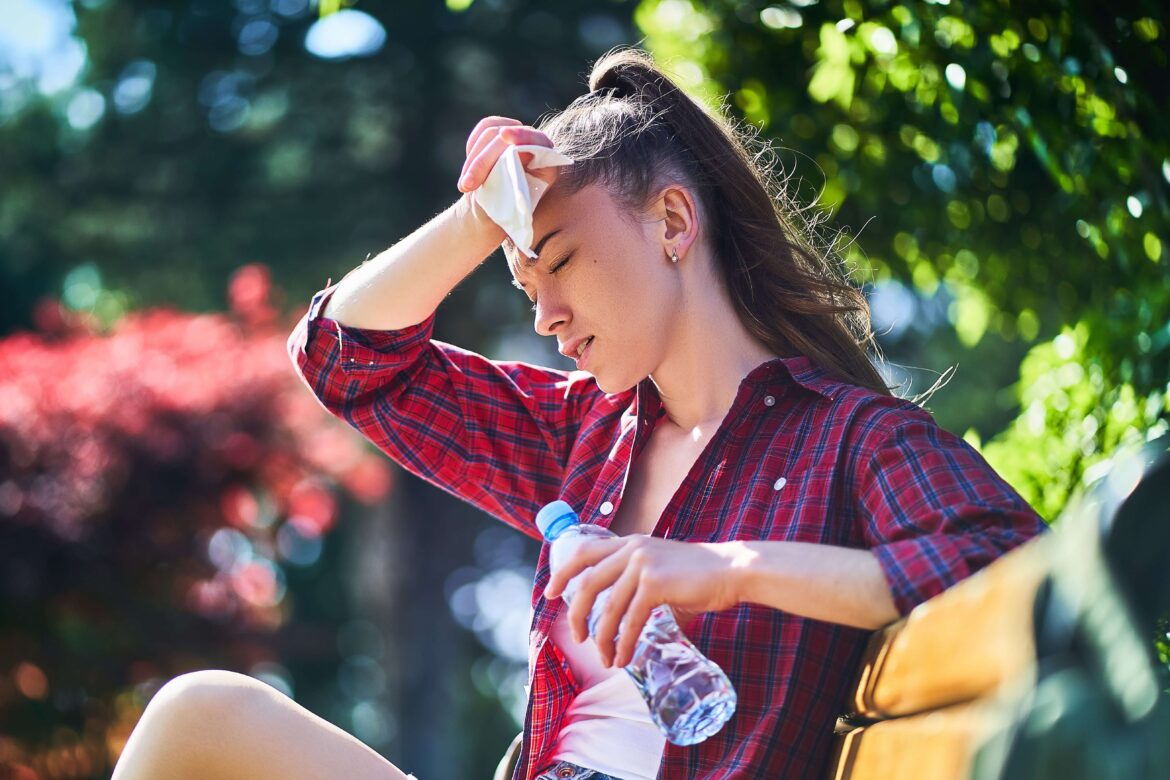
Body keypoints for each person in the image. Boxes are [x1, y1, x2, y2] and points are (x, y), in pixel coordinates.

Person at [111, 47, 1047, 780]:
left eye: (556, 262)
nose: (543, 315)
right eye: (523, 282)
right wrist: (482, 216)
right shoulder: (584, 436)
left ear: (674, 224)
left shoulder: (852, 440)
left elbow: (1013, 570)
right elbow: (344, 360)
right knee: (198, 716)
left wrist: (728, 571)